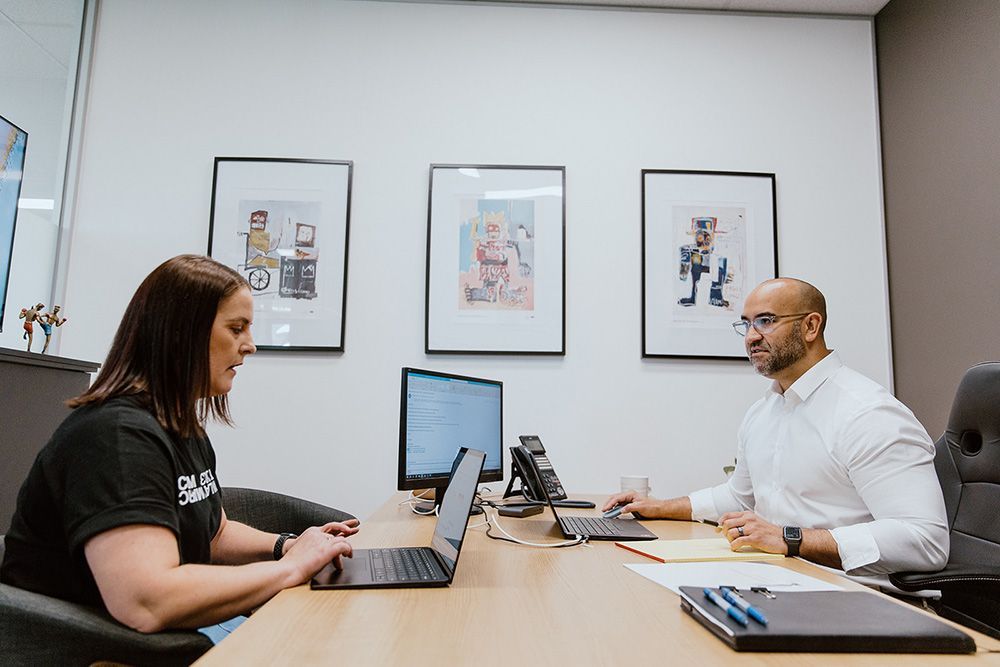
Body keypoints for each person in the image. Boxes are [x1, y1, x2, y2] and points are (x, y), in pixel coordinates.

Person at [1, 254, 358, 636]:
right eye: (236, 328)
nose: (250, 345)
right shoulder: (117, 437)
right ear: (181, 333)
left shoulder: (177, 424)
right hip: (101, 649)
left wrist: (288, 545)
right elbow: (148, 602)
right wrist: (292, 568)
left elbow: (215, 534)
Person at [604, 278, 948, 579]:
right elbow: (739, 496)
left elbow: (925, 540)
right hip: (776, 576)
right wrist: (658, 506)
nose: (751, 337)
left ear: (811, 326)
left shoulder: (868, 413)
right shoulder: (764, 412)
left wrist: (789, 538)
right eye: (746, 325)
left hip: (852, 592)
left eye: (766, 321)